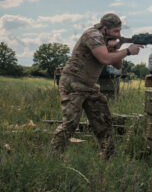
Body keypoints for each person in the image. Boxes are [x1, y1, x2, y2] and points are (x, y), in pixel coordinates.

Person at [50, 13, 143, 159]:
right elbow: (104, 59)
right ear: (105, 29)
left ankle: (108, 156)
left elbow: (117, 65)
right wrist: (128, 51)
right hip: (73, 83)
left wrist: (115, 48)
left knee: (103, 121)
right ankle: (53, 155)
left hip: (89, 86)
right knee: (70, 123)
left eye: (119, 31)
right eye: (116, 31)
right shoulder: (93, 35)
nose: (119, 34)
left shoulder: (105, 39)